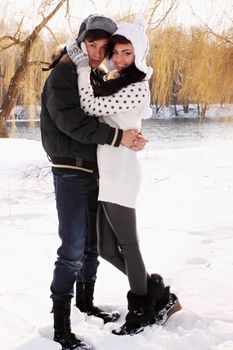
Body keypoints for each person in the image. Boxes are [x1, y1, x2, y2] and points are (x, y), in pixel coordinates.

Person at [67, 19, 182, 336]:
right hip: (110, 173)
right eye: (116, 52)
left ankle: (143, 311)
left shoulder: (136, 87)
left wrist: (79, 65)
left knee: (129, 247)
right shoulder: (116, 80)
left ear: (139, 54)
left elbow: (89, 105)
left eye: (127, 53)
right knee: (107, 248)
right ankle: (158, 296)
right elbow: (103, 105)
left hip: (122, 174)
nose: (118, 58)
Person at [40, 15, 148, 350]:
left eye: (105, 47)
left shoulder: (92, 73)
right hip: (70, 168)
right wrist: (120, 137)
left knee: (90, 246)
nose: (99, 53)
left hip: (92, 169)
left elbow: (111, 110)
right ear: (81, 40)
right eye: (93, 45)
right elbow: (75, 123)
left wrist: (130, 134)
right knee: (72, 248)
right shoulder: (63, 73)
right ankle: (61, 328)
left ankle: (86, 305)